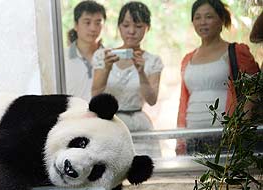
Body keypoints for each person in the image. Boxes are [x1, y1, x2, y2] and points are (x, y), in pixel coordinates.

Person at [176, 0, 260, 154]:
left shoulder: (236, 51)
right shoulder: (188, 59)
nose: (203, 22)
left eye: (209, 17)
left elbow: (254, 90)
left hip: (227, 135)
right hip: (193, 137)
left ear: (221, 19)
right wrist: (180, 138)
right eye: (197, 17)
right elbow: (183, 101)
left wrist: (241, 126)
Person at [91, 1, 163, 133]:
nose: (131, 31)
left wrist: (141, 73)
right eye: (126, 25)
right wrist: (107, 69)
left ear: (148, 28)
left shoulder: (152, 61)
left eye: (138, 26)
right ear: (119, 27)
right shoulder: (103, 56)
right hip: (109, 124)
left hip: (139, 125)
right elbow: (95, 94)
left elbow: (152, 100)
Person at [65, 1, 106, 101]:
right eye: (87, 22)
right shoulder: (62, 58)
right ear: (76, 25)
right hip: (72, 114)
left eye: (98, 23)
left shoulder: (110, 57)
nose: (93, 28)